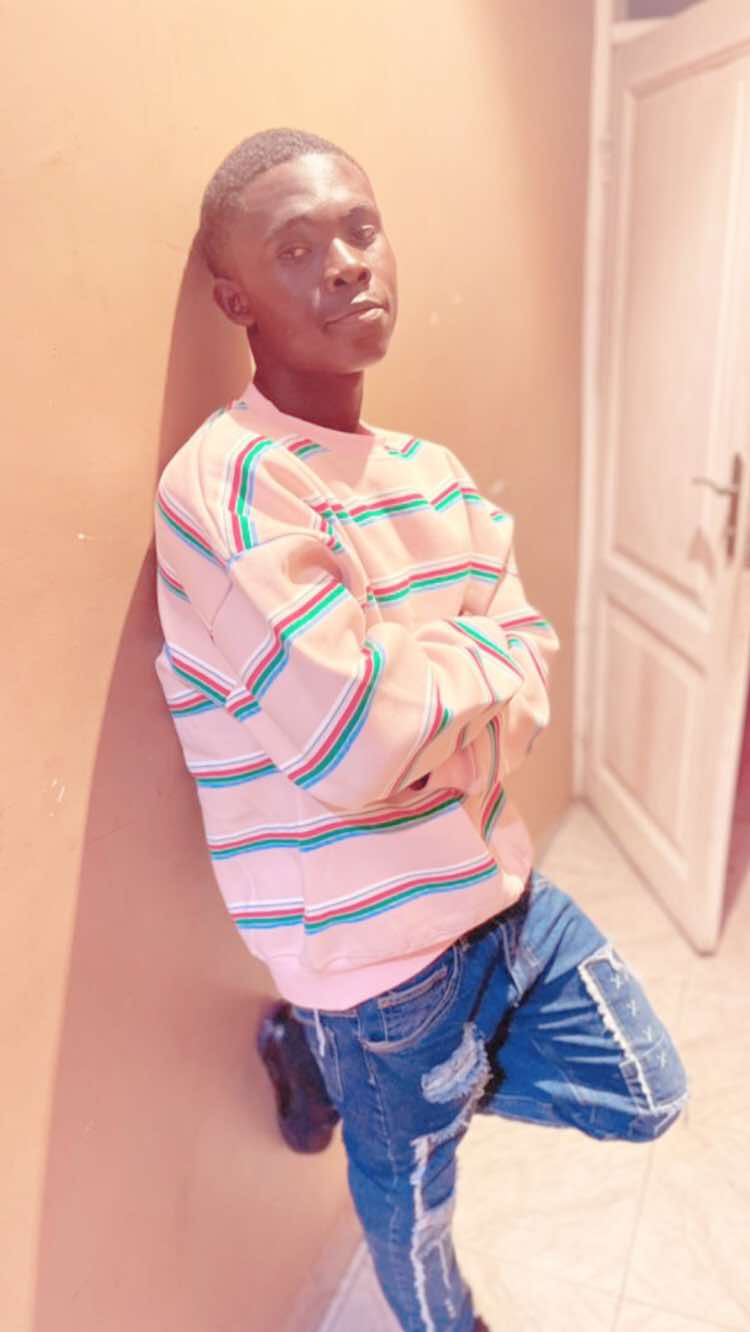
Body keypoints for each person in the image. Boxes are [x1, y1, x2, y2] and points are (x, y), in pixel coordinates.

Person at [153, 126, 688, 1332]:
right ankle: (340, 1061)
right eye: (297, 249)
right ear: (237, 299)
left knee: (649, 1090)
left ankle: (337, 1070)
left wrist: (423, 691)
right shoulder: (230, 486)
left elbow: (532, 670)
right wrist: (457, 685)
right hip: (375, 967)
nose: (347, 262)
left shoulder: (431, 471)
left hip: (503, 899)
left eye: (360, 228)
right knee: (418, 1232)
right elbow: (358, 749)